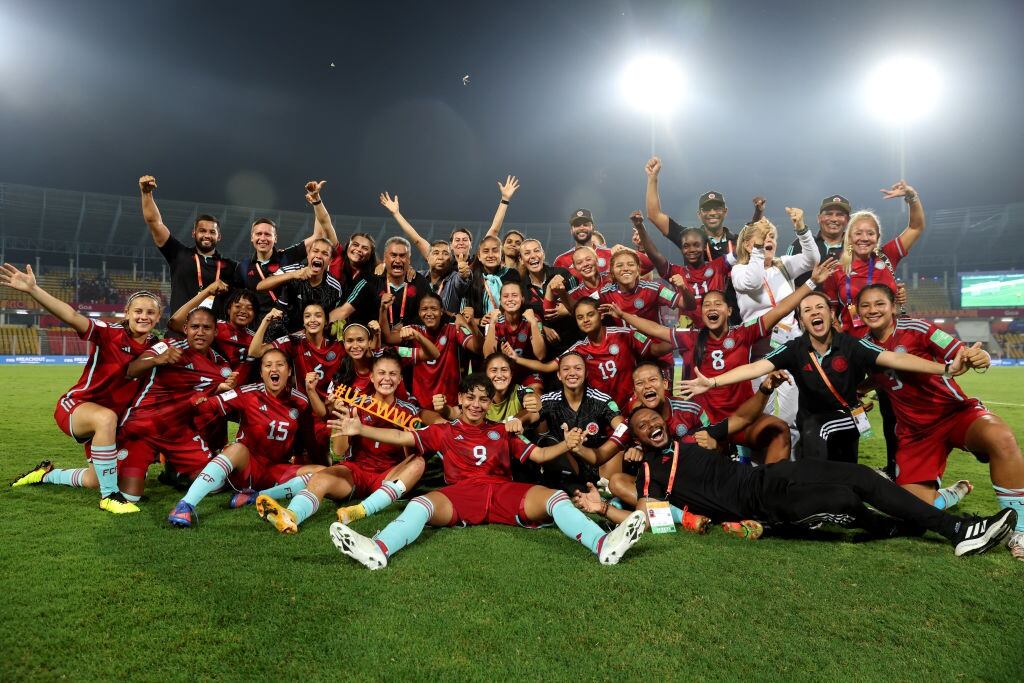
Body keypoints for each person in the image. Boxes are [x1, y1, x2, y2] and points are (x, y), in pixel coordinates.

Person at [572, 406, 1018, 557]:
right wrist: (607, 498)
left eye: (654, 417)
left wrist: (764, 387)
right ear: (634, 437)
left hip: (770, 475)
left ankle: (957, 530)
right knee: (847, 501)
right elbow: (637, 510)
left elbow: (745, 417)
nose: (651, 422)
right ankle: (913, 525)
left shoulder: (694, 438)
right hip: (767, 509)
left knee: (861, 475)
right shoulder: (647, 477)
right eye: (641, 423)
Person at [327, 373, 648, 570]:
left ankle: (603, 545)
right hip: (460, 495)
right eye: (471, 398)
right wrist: (361, 430)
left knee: (556, 498)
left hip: (501, 492)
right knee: (420, 505)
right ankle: (378, 549)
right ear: (461, 400)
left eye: (483, 399)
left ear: (489, 403)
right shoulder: (446, 430)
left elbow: (538, 455)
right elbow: (400, 436)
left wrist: (566, 445)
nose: (477, 404)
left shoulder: (502, 431)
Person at [679, 289, 971, 463]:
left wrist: (945, 368)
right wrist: (714, 381)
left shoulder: (852, 346)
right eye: (807, 310)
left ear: (831, 315)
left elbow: (896, 358)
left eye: (820, 308)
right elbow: (756, 368)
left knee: (845, 471)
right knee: (815, 451)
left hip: (847, 420)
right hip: (812, 424)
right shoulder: (794, 349)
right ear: (802, 320)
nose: (814, 313)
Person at [606, 262, 839, 463]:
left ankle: (770, 487)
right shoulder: (693, 337)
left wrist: (810, 283)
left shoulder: (743, 334)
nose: (712, 308)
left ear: (728, 310)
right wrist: (625, 315)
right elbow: (657, 329)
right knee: (706, 456)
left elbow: (781, 310)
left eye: (718, 304)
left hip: (743, 419)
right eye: (707, 305)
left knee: (779, 429)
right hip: (708, 426)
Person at [857, 284, 1024, 560]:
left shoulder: (918, 329)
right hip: (915, 434)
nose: (872, 310)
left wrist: (977, 356)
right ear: (858, 310)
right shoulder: (863, 347)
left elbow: (959, 352)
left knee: (1000, 437)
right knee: (914, 511)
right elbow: (874, 378)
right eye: (866, 305)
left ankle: (1019, 530)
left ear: (892, 306)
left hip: (953, 414)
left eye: (879, 304)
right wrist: (859, 390)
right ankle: (951, 494)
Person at [4, 264, 159, 513]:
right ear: (126, 312)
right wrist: (34, 290)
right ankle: (110, 497)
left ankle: (45, 475)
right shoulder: (109, 333)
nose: (144, 316)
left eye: (151, 312)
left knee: (93, 479)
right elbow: (72, 316)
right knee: (106, 418)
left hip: (109, 425)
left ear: (158, 317)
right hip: (76, 407)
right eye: (138, 311)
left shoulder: (157, 347)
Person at [256, 351, 444, 533]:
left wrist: (405, 430)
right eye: (381, 373)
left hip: (387, 476)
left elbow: (408, 455)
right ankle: (291, 515)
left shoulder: (407, 411)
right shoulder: (356, 404)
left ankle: (361, 510)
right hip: (357, 472)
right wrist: (342, 426)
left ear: (400, 379)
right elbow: (339, 451)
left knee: (418, 462)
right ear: (371, 377)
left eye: (393, 374)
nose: (387, 378)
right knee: (320, 478)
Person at [166, 349, 327, 527]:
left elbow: (308, 437)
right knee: (236, 448)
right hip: (246, 466)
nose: (274, 369)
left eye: (280, 365)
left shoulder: (301, 401)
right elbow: (208, 406)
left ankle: (256, 496)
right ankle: (185, 505)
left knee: (322, 473)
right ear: (261, 372)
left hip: (276, 469)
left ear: (289, 371)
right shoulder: (247, 392)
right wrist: (200, 398)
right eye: (268, 365)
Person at [117, 307, 238, 498]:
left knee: (214, 484)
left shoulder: (222, 367)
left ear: (215, 331)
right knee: (129, 496)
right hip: (144, 427)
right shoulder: (168, 346)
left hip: (179, 432)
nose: (200, 332)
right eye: (194, 326)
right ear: (185, 328)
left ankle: (173, 469)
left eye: (206, 327)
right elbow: (131, 370)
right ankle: (54, 475)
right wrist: (157, 360)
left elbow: (203, 394)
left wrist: (220, 390)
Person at [730, 207, 819, 452]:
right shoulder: (738, 271)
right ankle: (759, 466)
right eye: (762, 236)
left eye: (771, 237)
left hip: (790, 345)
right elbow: (754, 280)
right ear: (748, 244)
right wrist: (759, 251)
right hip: (759, 349)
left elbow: (812, 259)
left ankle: (788, 467)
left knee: (791, 412)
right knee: (762, 410)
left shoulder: (784, 265)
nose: (769, 240)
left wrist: (802, 228)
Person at [514, 298, 673, 409]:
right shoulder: (578, 349)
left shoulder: (624, 334)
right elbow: (548, 367)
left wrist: (677, 340)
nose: (586, 320)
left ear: (601, 314)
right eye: (580, 317)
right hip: (604, 409)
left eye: (590, 315)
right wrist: (516, 359)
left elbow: (654, 349)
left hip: (634, 402)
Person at [821, 180, 925, 333]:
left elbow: (916, 227)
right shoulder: (836, 270)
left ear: (877, 238)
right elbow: (831, 307)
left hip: (888, 339)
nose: (864, 238)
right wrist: (835, 329)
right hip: (853, 343)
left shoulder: (887, 256)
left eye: (870, 233)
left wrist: (911, 196)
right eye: (858, 233)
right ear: (848, 237)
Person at [248, 304, 343, 463]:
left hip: (328, 409)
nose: (312, 320)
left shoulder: (337, 346)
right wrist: (266, 320)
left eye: (318, 315)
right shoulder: (294, 340)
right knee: (304, 462)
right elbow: (255, 352)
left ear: (326, 321)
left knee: (325, 461)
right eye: (307, 316)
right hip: (302, 409)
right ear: (303, 321)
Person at [138, 175, 238, 318]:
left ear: (219, 236)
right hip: (179, 332)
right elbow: (155, 223)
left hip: (215, 335)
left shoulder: (231, 267)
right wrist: (146, 194)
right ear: (194, 233)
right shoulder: (179, 254)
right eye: (202, 231)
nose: (207, 235)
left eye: (212, 232)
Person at [536, 352, 629, 489]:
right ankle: (566, 488)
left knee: (620, 448)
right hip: (567, 465)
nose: (572, 373)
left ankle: (607, 491)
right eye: (566, 369)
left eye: (578, 368)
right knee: (547, 442)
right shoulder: (549, 400)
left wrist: (605, 451)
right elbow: (529, 415)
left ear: (586, 374)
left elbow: (623, 427)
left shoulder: (601, 400)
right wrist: (516, 420)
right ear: (559, 375)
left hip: (597, 463)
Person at [378, 291, 482, 408]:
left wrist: (472, 324)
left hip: (449, 403)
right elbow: (388, 337)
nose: (429, 313)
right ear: (419, 312)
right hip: (420, 404)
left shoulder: (454, 329)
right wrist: (383, 310)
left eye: (434, 308)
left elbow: (478, 348)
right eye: (424, 309)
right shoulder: (414, 330)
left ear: (442, 311)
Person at [632, 210, 732, 327]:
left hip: (718, 331)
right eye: (686, 246)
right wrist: (640, 228)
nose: (691, 250)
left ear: (705, 246)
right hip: (688, 336)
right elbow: (656, 256)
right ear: (681, 249)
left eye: (696, 244)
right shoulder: (676, 272)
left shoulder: (719, 265)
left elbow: (743, 250)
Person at [235, 202, 326, 320]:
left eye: (268, 234)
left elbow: (317, 236)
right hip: (256, 327)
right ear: (252, 237)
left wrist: (316, 202)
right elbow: (235, 300)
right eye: (258, 234)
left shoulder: (286, 256)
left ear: (275, 238)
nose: (262, 238)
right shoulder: (243, 267)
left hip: (288, 324)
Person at [168, 281, 258, 385]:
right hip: (208, 386)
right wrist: (207, 292)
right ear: (228, 309)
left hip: (240, 393)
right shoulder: (212, 327)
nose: (243, 311)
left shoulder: (255, 339)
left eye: (250, 308)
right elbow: (174, 323)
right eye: (238, 306)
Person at [334, 236, 431, 327]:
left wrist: (408, 327)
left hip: (410, 340)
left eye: (402, 256)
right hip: (375, 341)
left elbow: (430, 313)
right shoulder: (370, 280)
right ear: (385, 258)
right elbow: (345, 311)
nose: (398, 260)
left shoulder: (420, 282)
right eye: (393, 255)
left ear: (409, 259)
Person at [599, 236, 693, 325]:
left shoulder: (654, 289)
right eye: (619, 265)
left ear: (638, 269)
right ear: (612, 271)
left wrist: (683, 288)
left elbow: (688, 305)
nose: (625, 268)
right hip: (623, 341)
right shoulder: (605, 293)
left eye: (631, 264)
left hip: (654, 341)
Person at [256, 237, 341, 334]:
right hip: (282, 333)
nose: (319, 256)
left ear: (330, 261)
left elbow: (332, 320)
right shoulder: (292, 270)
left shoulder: (334, 288)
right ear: (308, 255)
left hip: (311, 336)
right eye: (315, 251)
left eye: (325, 253)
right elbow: (260, 286)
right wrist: (293, 275)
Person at [483, 281, 545, 393]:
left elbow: (540, 355)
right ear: (500, 301)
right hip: (502, 373)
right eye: (505, 296)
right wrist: (492, 324)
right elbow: (487, 355)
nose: (510, 299)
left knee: (536, 390)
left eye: (515, 295)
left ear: (522, 299)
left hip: (528, 372)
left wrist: (534, 324)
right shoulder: (494, 321)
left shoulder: (532, 319)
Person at [788, 195, 850, 287]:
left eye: (840, 215)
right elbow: (786, 279)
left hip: (848, 302)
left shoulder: (856, 248)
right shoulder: (800, 244)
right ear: (819, 218)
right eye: (828, 214)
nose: (834, 219)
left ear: (848, 220)